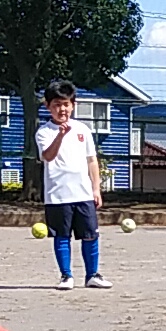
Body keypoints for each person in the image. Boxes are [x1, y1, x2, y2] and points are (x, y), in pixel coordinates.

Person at [37, 80, 108, 290]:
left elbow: (91, 160)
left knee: (91, 236)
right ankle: (66, 276)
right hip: (58, 195)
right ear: (48, 106)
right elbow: (48, 156)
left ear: (73, 105)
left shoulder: (83, 130)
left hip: (83, 194)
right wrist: (60, 135)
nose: (62, 109)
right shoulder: (44, 132)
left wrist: (96, 188)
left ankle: (92, 275)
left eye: (66, 104)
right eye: (57, 104)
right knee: (61, 237)